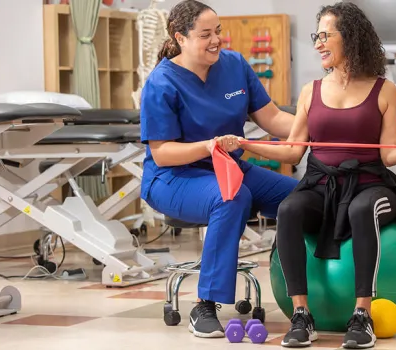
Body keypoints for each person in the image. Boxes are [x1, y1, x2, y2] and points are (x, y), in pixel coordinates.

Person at [231, 3, 396, 349]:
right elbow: (292, 151)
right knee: (288, 210)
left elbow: (388, 153)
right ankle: (302, 315)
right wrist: (244, 144)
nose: (317, 43)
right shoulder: (310, 91)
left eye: (324, 36)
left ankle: (362, 316)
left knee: (362, 210)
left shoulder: (383, 89)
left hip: (371, 183)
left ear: (350, 38)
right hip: (321, 183)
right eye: (315, 36)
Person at [138, 0, 298, 339]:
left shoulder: (235, 65)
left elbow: (272, 118)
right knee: (232, 197)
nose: (216, 41)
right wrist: (208, 146)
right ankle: (205, 304)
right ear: (180, 38)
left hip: (226, 166)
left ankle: (320, 287)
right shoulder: (162, 82)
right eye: (205, 35)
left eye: (218, 32)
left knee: (304, 196)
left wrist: (317, 124)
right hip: (172, 178)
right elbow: (163, 153)